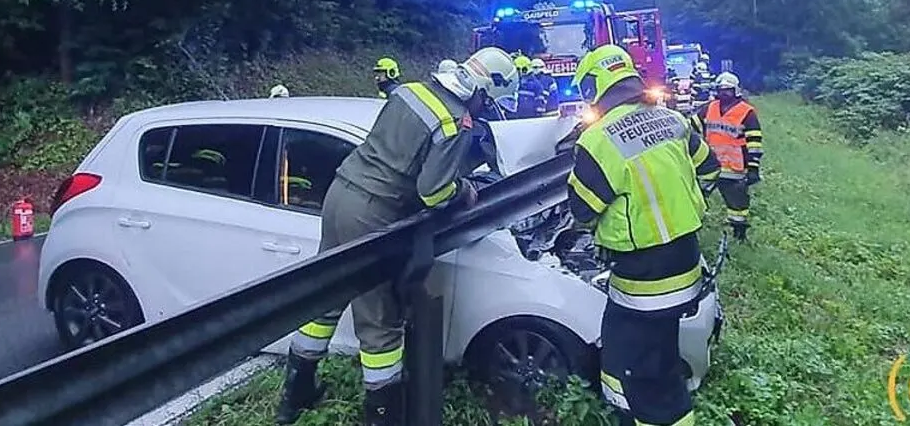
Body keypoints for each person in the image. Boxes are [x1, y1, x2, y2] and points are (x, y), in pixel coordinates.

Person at [275, 47, 519, 426]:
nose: (487, 108)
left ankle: (296, 394)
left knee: (326, 297)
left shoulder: (410, 90)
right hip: (373, 213)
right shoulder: (455, 123)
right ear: (484, 89)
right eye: (490, 101)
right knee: (379, 322)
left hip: (339, 194)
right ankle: (384, 415)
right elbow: (433, 192)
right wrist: (465, 190)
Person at [564, 44, 720, 426]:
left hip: (643, 278)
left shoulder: (597, 140)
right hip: (686, 261)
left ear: (594, 87)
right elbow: (711, 171)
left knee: (639, 364)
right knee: (644, 350)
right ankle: (645, 412)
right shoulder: (672, 119)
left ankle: (645, 416)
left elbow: (583, 210)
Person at [690, 71, 762, 241]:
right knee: (696, 196)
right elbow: (690, 126)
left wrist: (753, 168)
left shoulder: (747, 112)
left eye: (728, 90)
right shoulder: (710, 107)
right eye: (721, 89)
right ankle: (693, 229)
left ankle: (740, 234)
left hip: (735, 169)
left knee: (738, 205)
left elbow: (755, 142)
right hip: (709, 165)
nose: (724, 93)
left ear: (736, 91)